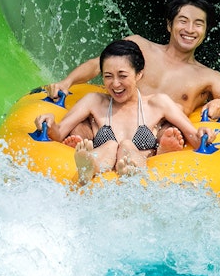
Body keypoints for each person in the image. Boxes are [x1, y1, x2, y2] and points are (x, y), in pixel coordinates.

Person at [44, 0, 220, 152]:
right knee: (84, 124)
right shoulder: (138, 45)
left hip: (155, 129)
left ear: (205, 31)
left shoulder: (208, 77)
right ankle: (80, 146)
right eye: (183, 21)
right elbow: (98, 64)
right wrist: (67, 82)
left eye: (198, 24)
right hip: (113, 119)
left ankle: (162, 148)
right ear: (169, 25)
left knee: (171, 131)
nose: (190, 29)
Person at [35, 40, 210, 184]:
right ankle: (89, 167)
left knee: (127, 145)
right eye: (108, 76)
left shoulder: (158, 103)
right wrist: (49, 122)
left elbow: (194, 137)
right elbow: (59, 133)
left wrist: (204, 133)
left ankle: (132, 170)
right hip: (103, 159)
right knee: (110, 145)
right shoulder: (94, 101)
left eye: (122, 76)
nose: (115, 84)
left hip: (140, 162)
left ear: (139, 74)